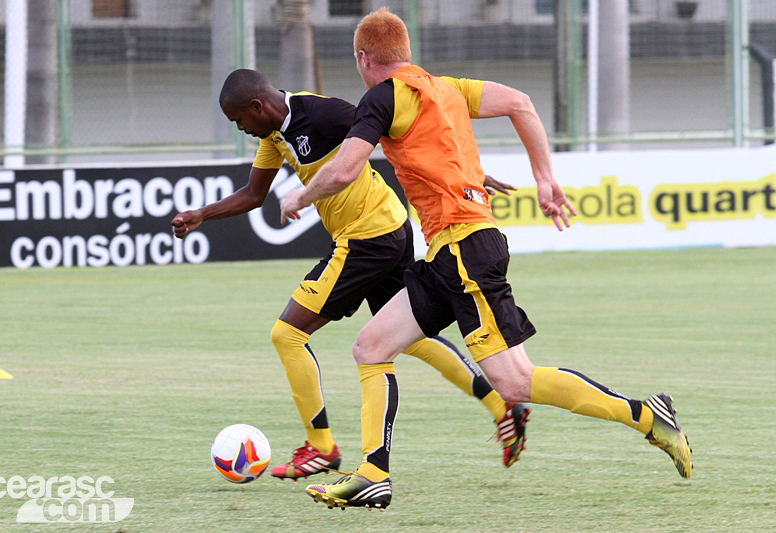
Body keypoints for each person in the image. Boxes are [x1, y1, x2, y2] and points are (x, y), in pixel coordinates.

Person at [280, 7, 692, 511]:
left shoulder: (380, 98)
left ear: (363, 57)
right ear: (404, 53)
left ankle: (646, 415)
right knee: (371, 346)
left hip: (464, 249)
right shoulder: (446, 87)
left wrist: (298, 197)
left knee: (516, 381)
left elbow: (344, 170)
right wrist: (542, 177)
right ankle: (372, 475)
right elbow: (518, 103)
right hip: (451, 252)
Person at [171, 69, 532, 481]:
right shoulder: (273, 135)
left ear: (257, 107)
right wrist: (201, 214)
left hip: (368, 238)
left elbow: (399, 129)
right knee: (410, 338)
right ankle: (503, 407)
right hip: (386, 229)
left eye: (240, 121)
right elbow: (254, 194)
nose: (242, 130)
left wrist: (465, 173)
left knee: (287, 334)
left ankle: (321, 448)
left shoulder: (322, 114)